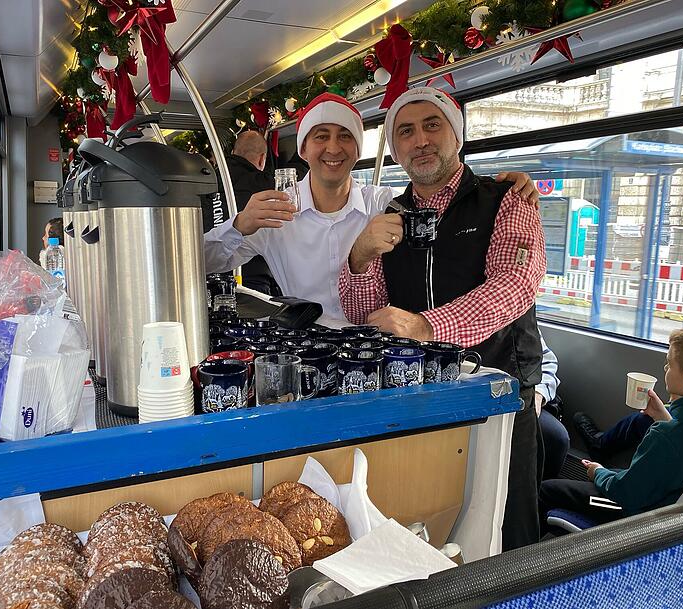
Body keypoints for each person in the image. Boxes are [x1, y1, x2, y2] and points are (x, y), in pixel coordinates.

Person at [338, 87, 546, 550]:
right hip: (419, 395)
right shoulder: (390, 213)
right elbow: (360, 312)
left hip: (498, 390)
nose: (421, 140)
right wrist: (359, 256)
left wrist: (428, 327)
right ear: (394, 149)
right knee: (425, 518)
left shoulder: (505, 199)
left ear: (457, 134)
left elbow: (515, 284)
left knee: (505, 528)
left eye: (433, 125)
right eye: (406, 132)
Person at [203, 92, 538, 321]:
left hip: (375, 349)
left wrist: (499, 189)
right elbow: (202, 262)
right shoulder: (274, 212)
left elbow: (442, 200)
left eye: (345, 136)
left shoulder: (384, 204)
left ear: (357, 149)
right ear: (303, 149)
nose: (333, 147)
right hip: (304, 346)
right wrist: (239, 226)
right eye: (321, 136)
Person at [539, 325, 683, 525]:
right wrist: (664, 417)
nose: (665, 368)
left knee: (546, 490)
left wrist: (598, 472)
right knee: (613, 472)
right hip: (668, 500)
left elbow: (625, 492)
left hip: (638, 513)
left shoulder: (664, 436)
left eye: (670, 364)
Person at [219, 130, 281, 295]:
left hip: (210, 277)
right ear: (262, 159)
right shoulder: (266, 186)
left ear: (233, 152)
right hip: (253, 279)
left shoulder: (211, 177)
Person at [537, 333, 570, 481]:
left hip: (525, 397)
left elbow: (547, 363)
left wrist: (539, 394)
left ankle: (540, 494)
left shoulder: (521, 317)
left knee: (556, 437)